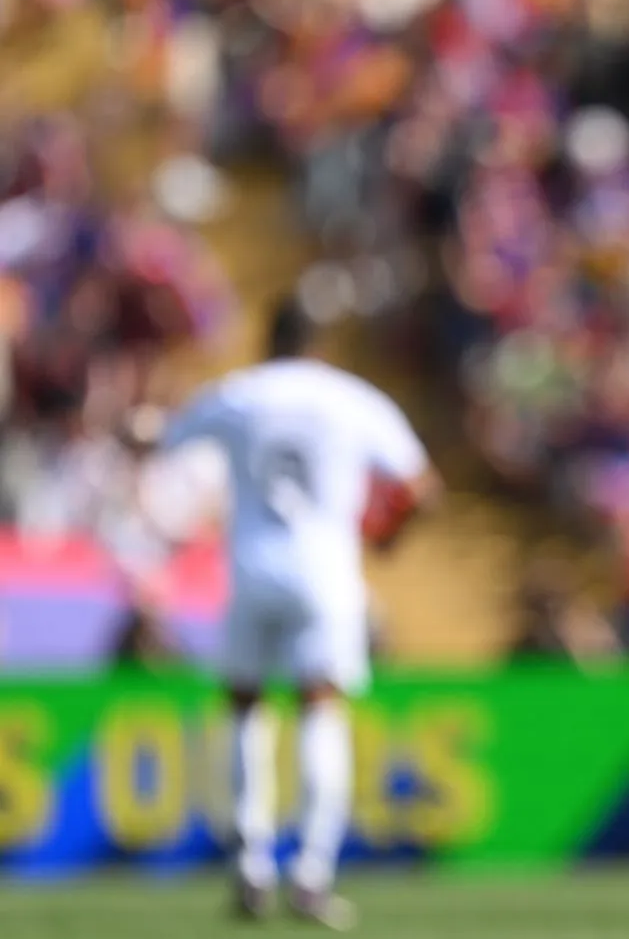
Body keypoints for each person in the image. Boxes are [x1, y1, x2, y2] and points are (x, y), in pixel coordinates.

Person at [159, 300, 438, 928]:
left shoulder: (238, 393)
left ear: (268, 338)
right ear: (323, 344)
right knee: (321, 710)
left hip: (252, 568)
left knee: (244, 708)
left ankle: (250, 861)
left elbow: (170, 444)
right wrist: (384, 534)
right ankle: (312, 869)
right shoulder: (352, 398)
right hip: (326, 574)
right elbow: (422, 487)